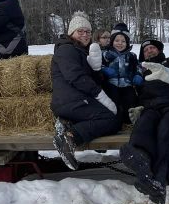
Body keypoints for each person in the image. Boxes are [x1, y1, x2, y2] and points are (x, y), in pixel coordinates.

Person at [119, 38, 169, 204]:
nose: (149, 50)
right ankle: (142, 168)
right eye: (146, 49)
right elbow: (134, 95)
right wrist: (138, 107)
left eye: (152, 48)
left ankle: (160, 181)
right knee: (143, 127)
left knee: (166, 130)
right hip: (152, 109)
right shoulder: (141, 73)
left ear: (159, 50)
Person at [50, 12, 122, 170]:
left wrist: (96, 70)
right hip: (70, 100)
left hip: (74, 99)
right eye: (80, 31)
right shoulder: (66, 50)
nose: (85, 34)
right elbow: (75, 77)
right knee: (111, 120)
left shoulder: (81, 50)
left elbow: (92, 79)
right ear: (71, 33)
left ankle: (67, 122)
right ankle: (70, 138)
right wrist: (99, 94)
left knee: (116, 114)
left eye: (88, 32)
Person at [100, 25, 143, 125]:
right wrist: (104, 69)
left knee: (130, 99)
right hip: (111, 84)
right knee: (114, 101)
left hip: (127, 84)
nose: (120, 43)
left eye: (123, 41)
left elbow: (138, 67)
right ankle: (115, 118)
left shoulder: (131, 56)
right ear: (112, 41)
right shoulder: (105, 54)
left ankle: (132, 117)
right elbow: (98, 66)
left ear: (127, 43)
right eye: (117, 40)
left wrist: (138, 75)